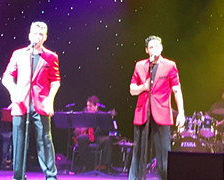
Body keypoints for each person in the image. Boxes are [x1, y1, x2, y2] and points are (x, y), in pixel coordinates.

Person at [2, 21, 61, 180]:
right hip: (21, 104)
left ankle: (51, 176)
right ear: (29, 35)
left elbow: (55, 81)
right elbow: (7, 77)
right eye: (35, 33)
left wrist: (50, 100)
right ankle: (19, 176)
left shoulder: (51, 57)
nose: (37, 36)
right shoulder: (19, 54)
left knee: (45, 141)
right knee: (19, 142)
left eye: (41, 34)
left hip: (41, 104)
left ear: (45, 37)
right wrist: (13, 91)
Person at [128, 35, 186, 180]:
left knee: (164, 154)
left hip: (162, 114)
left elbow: (176, 90)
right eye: (151, 47)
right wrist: (143, 87)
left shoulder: (170, 65)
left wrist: (181, 113)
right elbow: (132, 90)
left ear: (161, 48)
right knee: (138, 152)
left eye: (157, 46)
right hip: (143, 113)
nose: (154, 49)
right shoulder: (140, 66)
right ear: (147, 50)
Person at [73, 95, 115, 173]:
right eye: (87, 106)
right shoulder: (84, 114)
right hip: (87, 136)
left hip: (98, 137)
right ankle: (85, 165)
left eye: (90, 106)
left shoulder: (101, 115)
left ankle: (107, 167)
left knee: (107, 140)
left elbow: (106, 129)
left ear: (96, 107)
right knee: (81, 138)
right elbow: (77, 129)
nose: (88, 108)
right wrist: (82, 129)